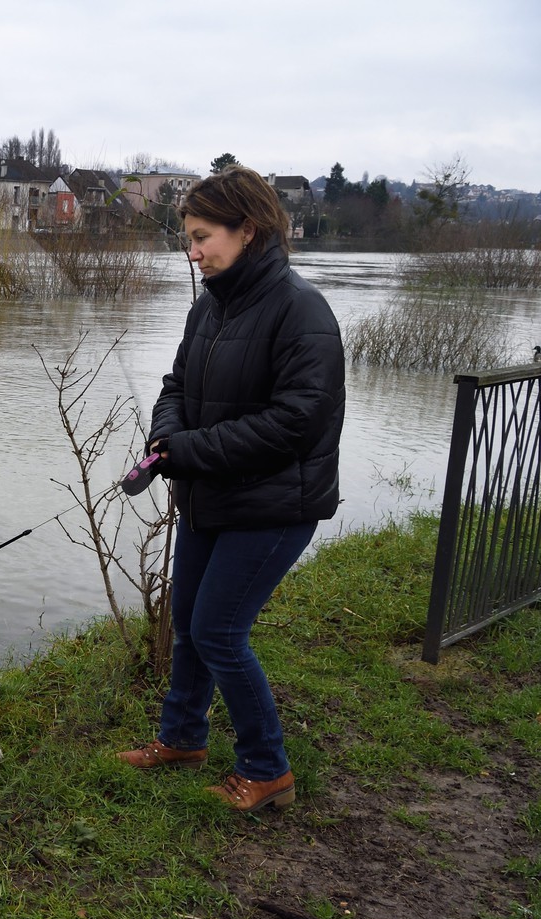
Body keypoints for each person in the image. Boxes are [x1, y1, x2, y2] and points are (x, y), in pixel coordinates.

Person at [116, 166, 345, 812]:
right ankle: (181, 739)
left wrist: (185, 450)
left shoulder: (303, 312)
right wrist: (167, 439)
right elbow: (175, 388)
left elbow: (293, 425)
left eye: (202, 237)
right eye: (187, 239)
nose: (192, 252)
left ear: (248, 230)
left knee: (218, 631)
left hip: (274, 505)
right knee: (189, 625)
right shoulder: (208, 307)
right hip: (210, 497)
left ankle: (266, 768)